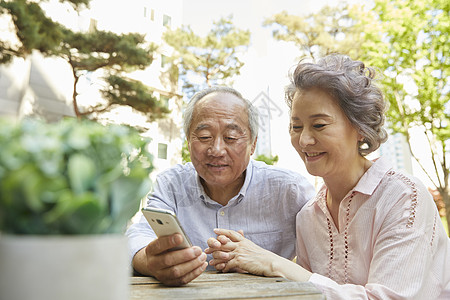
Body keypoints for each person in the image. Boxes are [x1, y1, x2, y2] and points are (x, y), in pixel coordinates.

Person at [206, 55, 450, 299]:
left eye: (319, 125)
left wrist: (275, 264)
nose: (304, 140)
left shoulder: (404, 196)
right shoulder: (308, 217)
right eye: (296, 126)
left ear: (359, 128)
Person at [126, 86, 316, 286]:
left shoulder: (289, 190)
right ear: (189, 141)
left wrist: (264, 262)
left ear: (253, 144)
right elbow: (138, 235)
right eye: (205, 137)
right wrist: (151, 261)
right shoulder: (171, 184)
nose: (216, 150)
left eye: (231, 138)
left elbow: (323, 260)